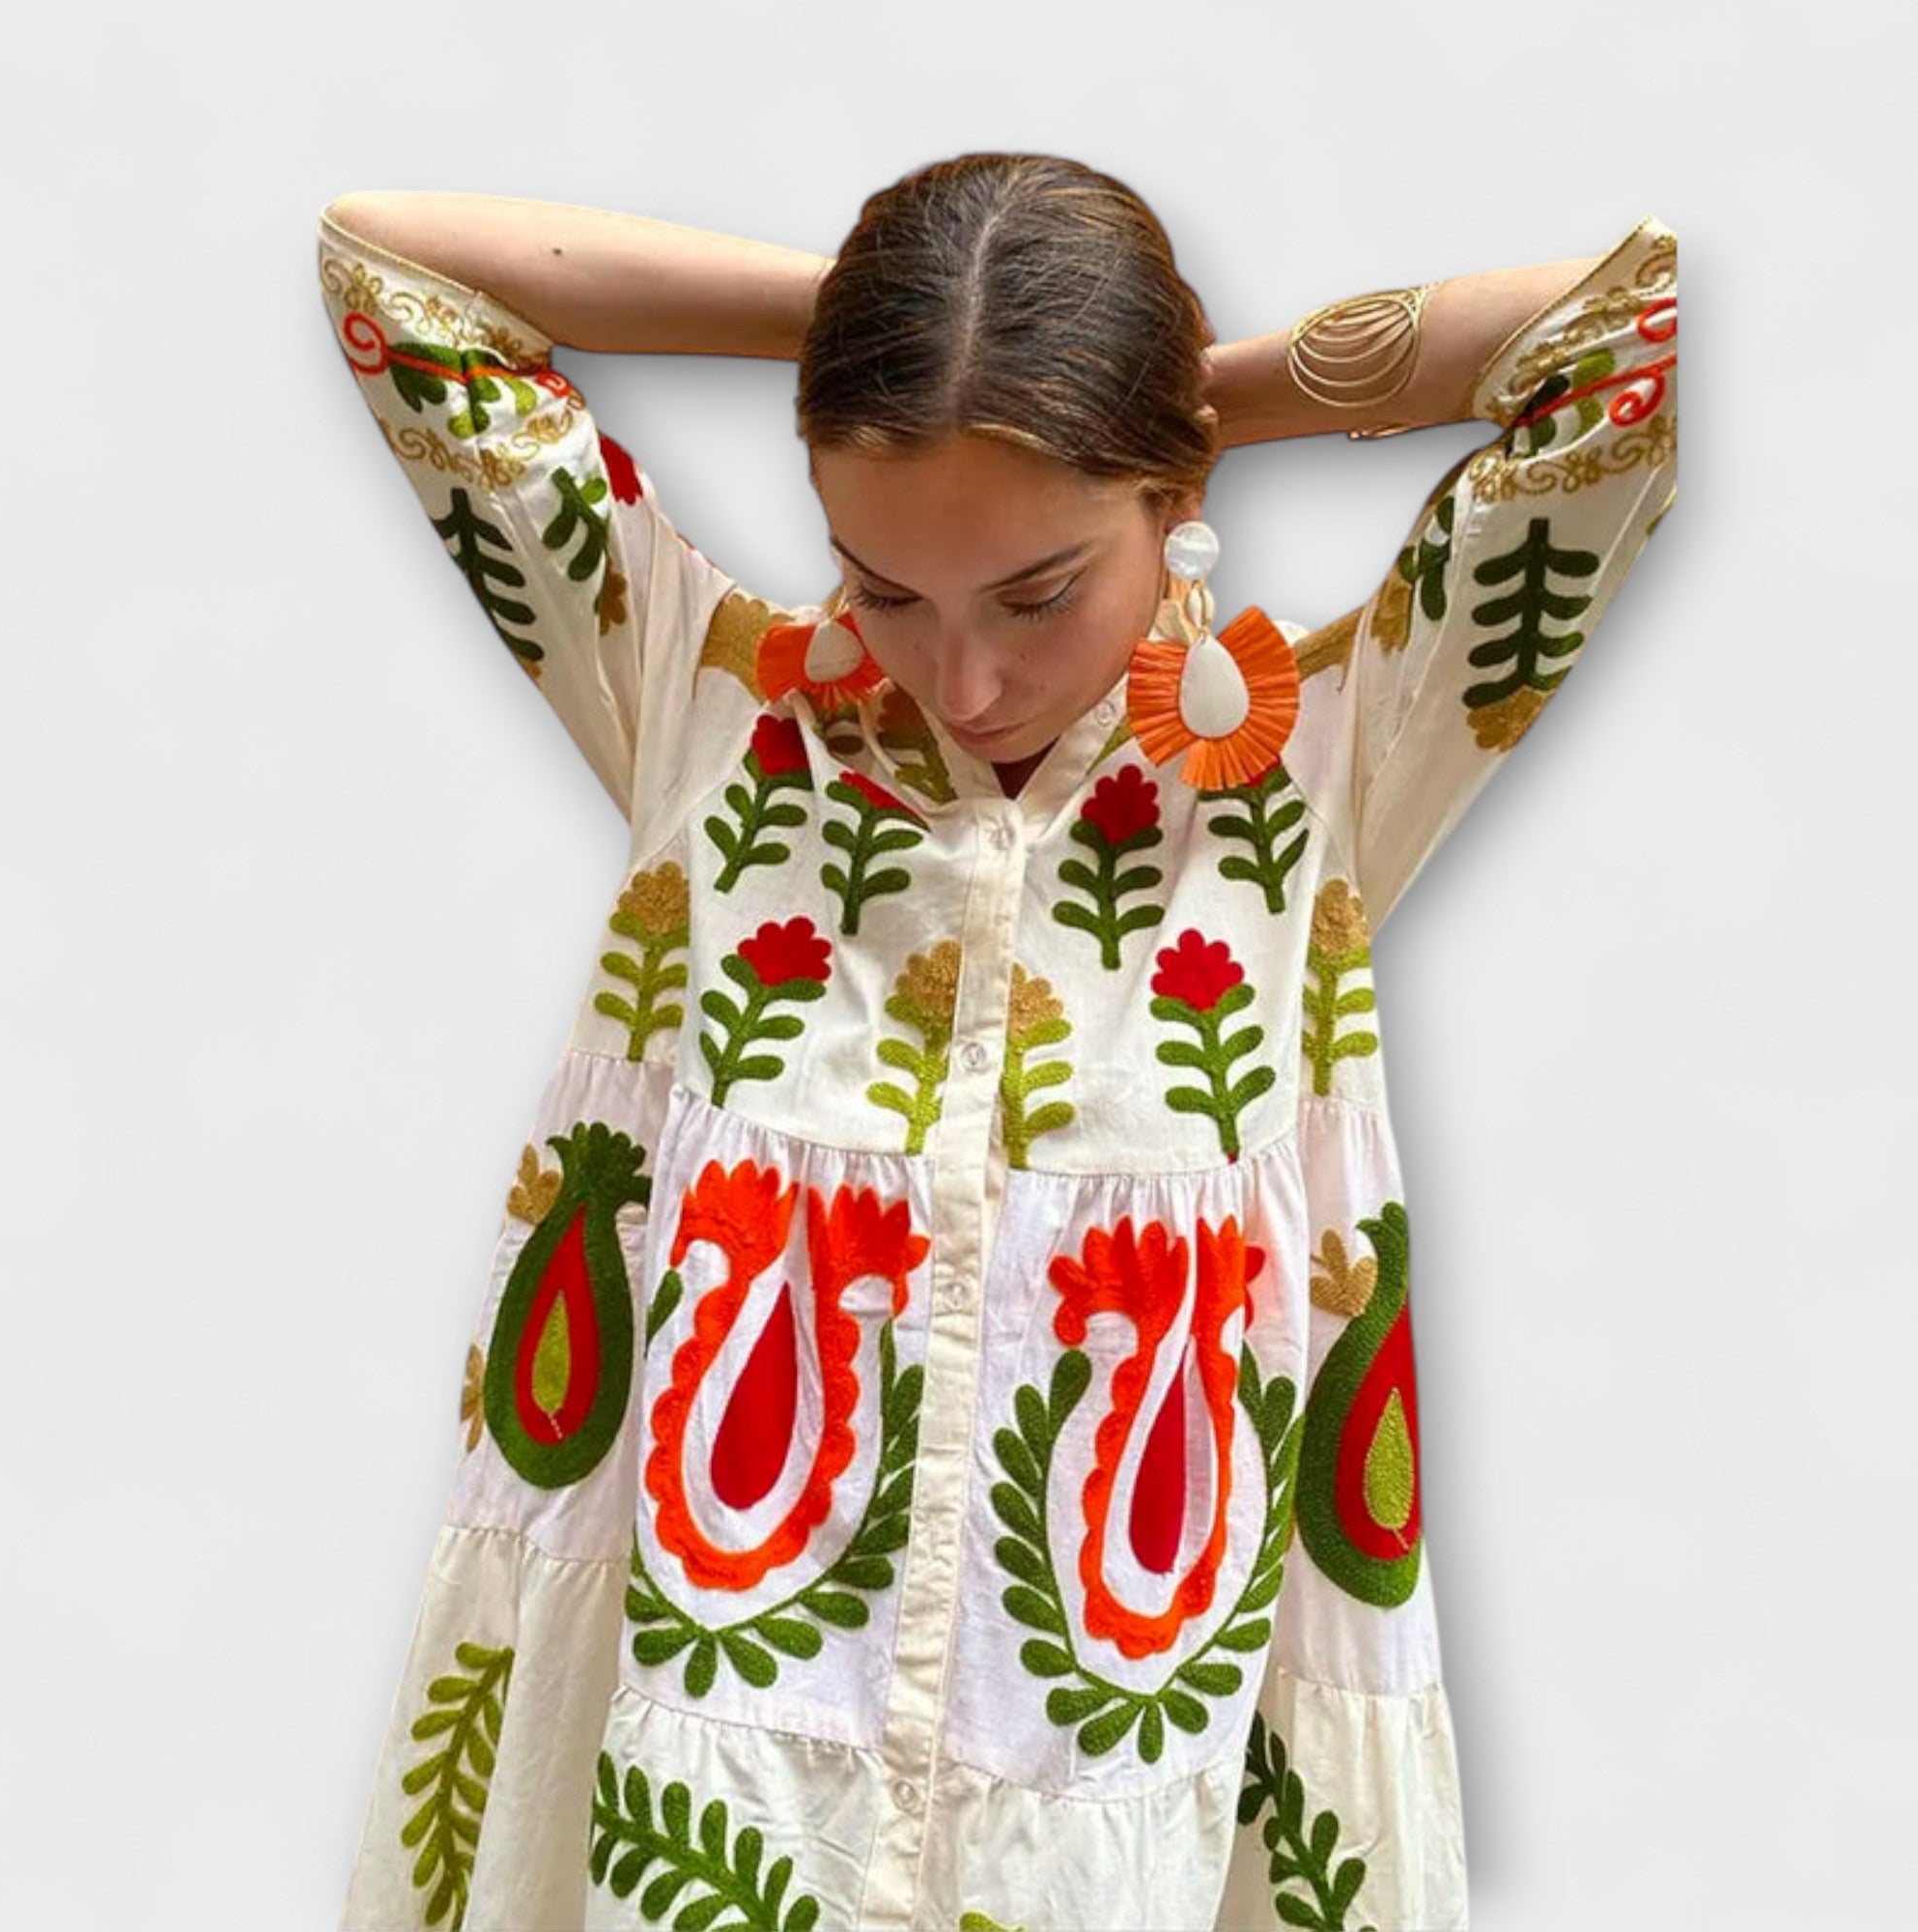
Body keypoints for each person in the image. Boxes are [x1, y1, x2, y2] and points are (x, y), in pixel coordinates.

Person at [315, 154, 1678, 1932]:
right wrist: (879, 340)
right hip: (707, 1799)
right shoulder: (697, 698)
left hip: (1126, 1811)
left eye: (1037, 593)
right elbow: (392, 274)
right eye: (885, 588)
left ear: (1174, 503)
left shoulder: (1337, 755)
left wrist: (1161, 390)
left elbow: (1626, 344)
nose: (961, 681)